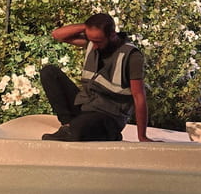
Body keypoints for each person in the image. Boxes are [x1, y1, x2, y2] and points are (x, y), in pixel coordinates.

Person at [39, 13, 156, 142]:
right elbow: (57, 35)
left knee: (79, 129)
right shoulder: (93, 42)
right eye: (91, 40)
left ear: (112, 35)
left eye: (98, 41)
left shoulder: (131, 55)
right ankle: (68, 126)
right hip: (85, 105)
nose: (94, 45)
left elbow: (139, 96)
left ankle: (100, 133)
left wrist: (142, 136)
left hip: (108, 115)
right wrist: (87, 26)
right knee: (49, 72)